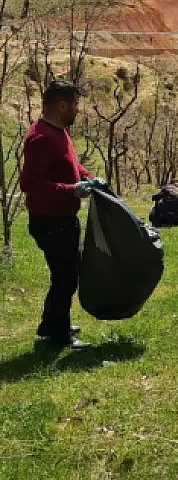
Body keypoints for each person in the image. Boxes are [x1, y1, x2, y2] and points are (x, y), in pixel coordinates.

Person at [19, 81, 106, 350]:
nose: (78, 110)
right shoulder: (42, 138)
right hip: (50, 223)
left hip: (61, 220)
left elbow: (69, 163)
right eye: (76, 105)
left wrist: (89, 178)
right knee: (66, 276)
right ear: (62, 106)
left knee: (65, 275)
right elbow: (30, 184)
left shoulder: (58, 131)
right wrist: (73, 190)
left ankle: (51, 324)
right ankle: (59, 336)